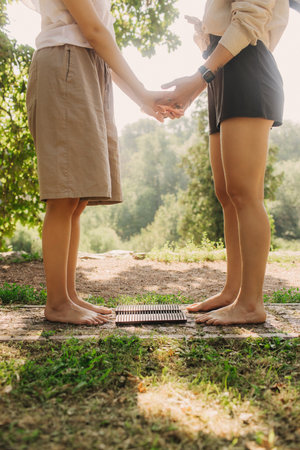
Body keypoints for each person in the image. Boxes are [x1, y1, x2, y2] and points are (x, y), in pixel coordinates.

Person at [22, 0, 180, 325]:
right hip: (65, 61)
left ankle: (68, 296)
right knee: (64, 195)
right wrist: (143, 94)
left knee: (77, 197)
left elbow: (102, 38)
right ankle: (56, 304)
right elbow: (93, 32)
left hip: (87, 65)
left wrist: (142, 99)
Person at [162, 0, 290, 325]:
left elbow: (250, 21)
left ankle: (251, 304)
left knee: (246, 194)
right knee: (227, 193)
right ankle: (233, 291)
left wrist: (200, 75)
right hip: (223, 74)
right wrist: (203, 36)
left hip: (248, 70)